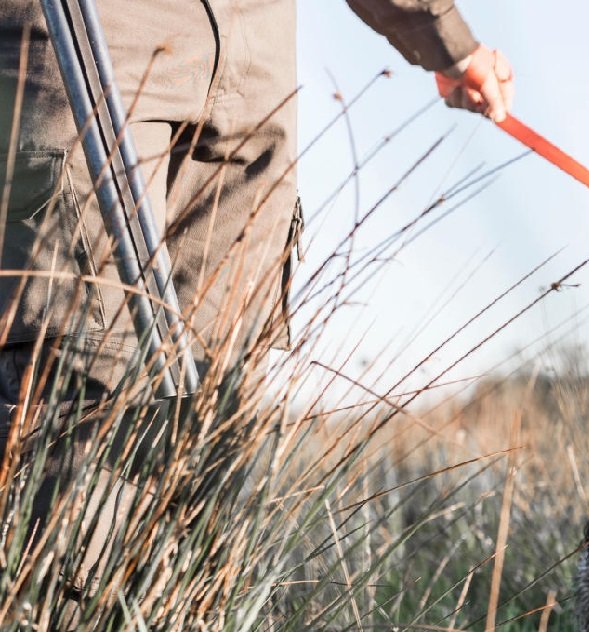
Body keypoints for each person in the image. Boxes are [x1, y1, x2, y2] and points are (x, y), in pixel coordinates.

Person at [0, 0, 514, 615]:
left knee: (213, 417)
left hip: (252, 70)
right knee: (76, 400)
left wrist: (443, 38)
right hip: (86, 36)